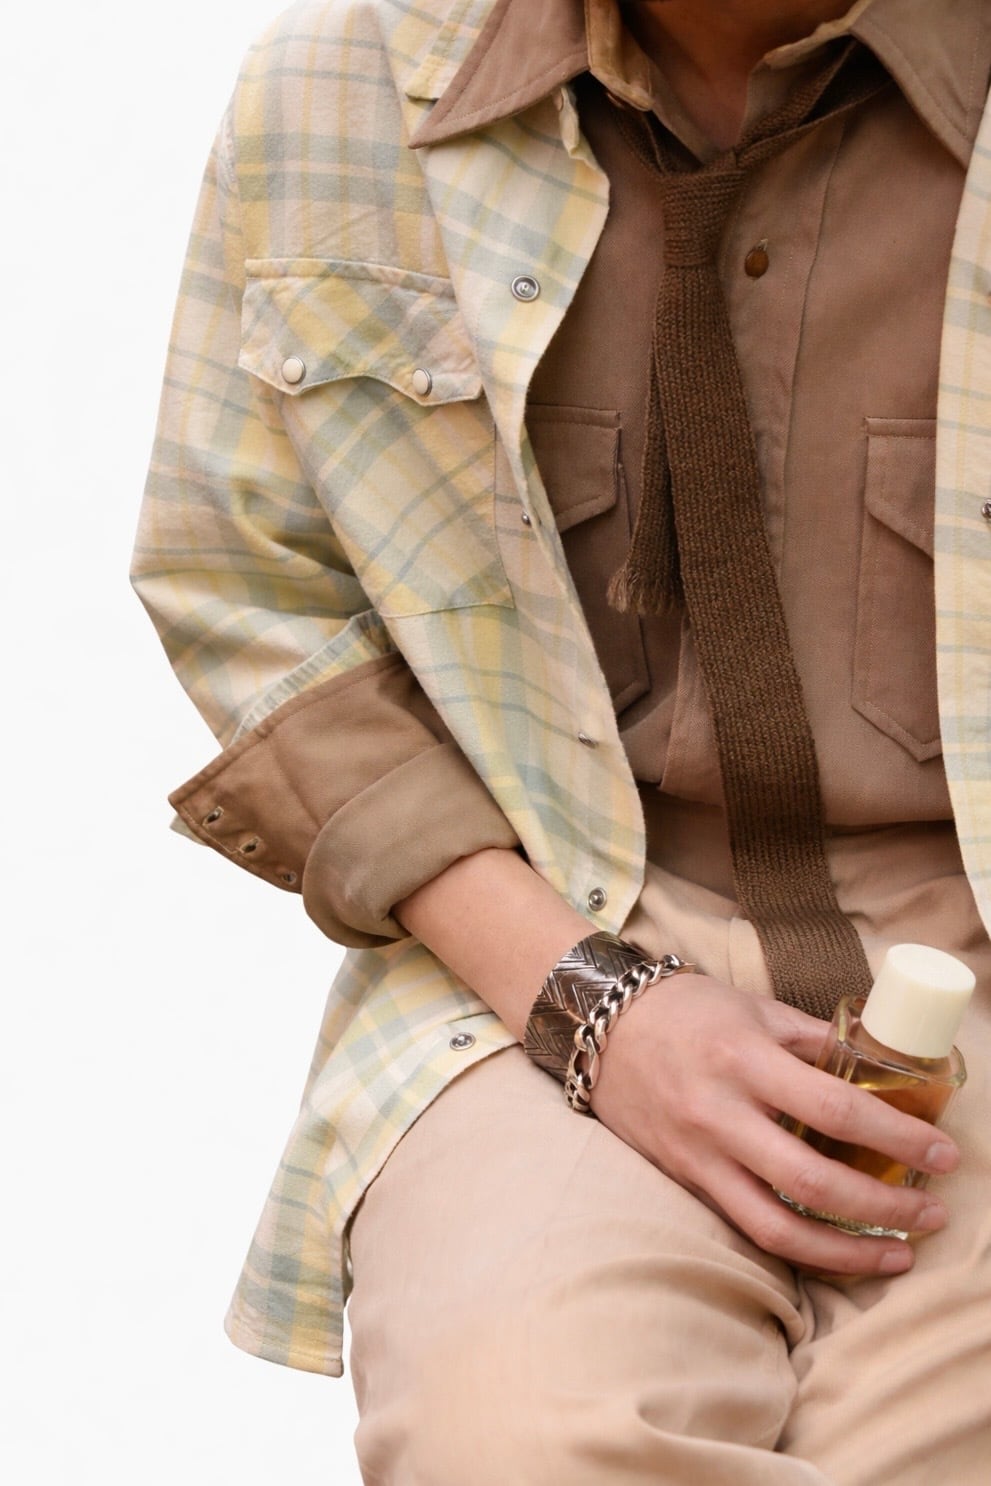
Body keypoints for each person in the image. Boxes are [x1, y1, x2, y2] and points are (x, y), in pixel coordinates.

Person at [132, 0, 991, 1479]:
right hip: (550, 938)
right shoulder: (346, 90)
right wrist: (594, 1003)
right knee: (520, 1438)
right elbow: (250, 591)